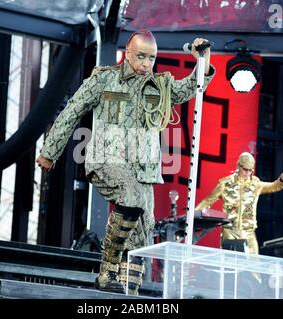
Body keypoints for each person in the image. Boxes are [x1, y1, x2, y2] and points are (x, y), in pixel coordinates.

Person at [36, 29, 215, 294]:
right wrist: (50, 151)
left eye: (151, 58)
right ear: (128, 53)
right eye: (141, 56)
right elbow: (72, 111)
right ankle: (107, 271)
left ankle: (129, 294)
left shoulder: (159, 86)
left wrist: (203, 61)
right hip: (107, 160)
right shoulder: (104, 80)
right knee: (131, 199)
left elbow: (192, 88)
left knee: (143, 234)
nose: (146, 64)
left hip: (143, 169)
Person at [195, 152, 283, 255]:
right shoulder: (225, 184)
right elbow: (208, 201)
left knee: (253, 267)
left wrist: (282, 180)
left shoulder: (255, 184)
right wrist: (193, 214)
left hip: (249, 232)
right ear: (238, 166)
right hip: (230, 230)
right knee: (230, 266)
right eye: (245, 169)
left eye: (250, 170)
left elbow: (273, 186)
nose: (247, 173)